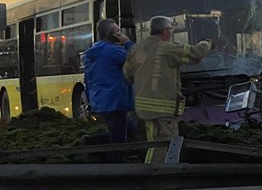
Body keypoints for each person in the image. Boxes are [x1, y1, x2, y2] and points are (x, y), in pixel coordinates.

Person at [123, 16, 216, 164]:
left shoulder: (136, 48)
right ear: (165, 31)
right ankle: (157, 176)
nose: (171, 33)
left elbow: (127, 74)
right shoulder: (166, 48)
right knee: (162, 146)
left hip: (143, 108)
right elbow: (196, 53)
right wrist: (208, 43)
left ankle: (157, 174)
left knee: (154, 143)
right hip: (162, 109)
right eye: (170, 30)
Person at [82, 19, 137, 163]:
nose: (121, 33)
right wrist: (127, 43)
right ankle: (112, 165)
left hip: (100, 100)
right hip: (115, 100)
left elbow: (88, 78)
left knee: (126, 130)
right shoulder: (115, 51)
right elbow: (137, 59)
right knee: (120, 138)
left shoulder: (93, 51)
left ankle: (93, 145)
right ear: (111, 34)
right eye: (118, 31)